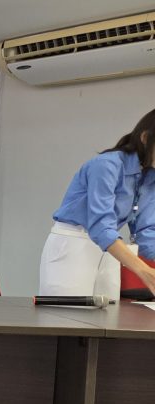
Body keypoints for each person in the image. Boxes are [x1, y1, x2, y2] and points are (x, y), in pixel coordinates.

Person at [39, 108, 155, 298]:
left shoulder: (150, 177)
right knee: (67, 313)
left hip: (111, 248)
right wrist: (144, 270)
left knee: (110, 312)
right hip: (74, 243)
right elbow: (100, 225)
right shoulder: (106, 165)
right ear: (145, 138)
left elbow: (147, 232)